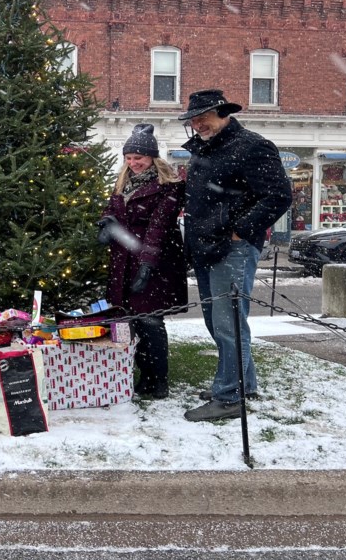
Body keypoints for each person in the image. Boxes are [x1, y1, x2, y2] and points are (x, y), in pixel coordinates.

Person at [179, 89, 292, 422]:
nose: (198, 123)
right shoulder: (205, 148)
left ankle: (229, 397)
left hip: (233, 248)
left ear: (223, 112)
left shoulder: (252, 146)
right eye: (193, 119)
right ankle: (244, 384)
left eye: (203, 116)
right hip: (206, 247)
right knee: (219, 323)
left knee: (228, 326)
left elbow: (279, 196)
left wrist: (240, 230)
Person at [99, 124, 188, 400]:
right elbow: (111, 209)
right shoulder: (121, 183)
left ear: (152, 157)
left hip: (154, 262)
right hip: (122, 262)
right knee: (127, 322)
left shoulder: (167, 187)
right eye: (129, 157)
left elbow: (158, 228)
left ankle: (158, 380)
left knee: (150, 322)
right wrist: (106, 222)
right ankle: (138, 376)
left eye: (139, 157)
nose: (134, 163)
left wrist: (147, 265)